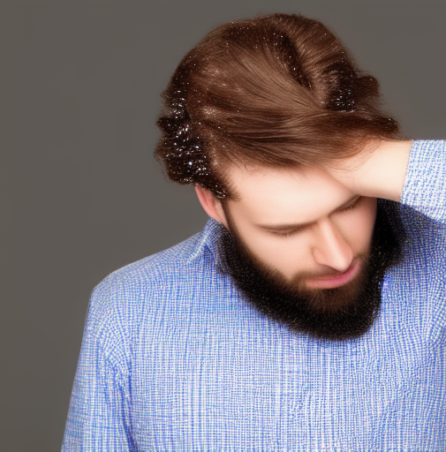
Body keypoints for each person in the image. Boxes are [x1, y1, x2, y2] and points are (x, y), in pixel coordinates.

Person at [62, 13, 446, 451]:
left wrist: (365, 155)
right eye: (286, 230)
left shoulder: (439, 262)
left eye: (351, 204)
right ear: (212, 202)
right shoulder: (130, 312)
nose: (338, 256)